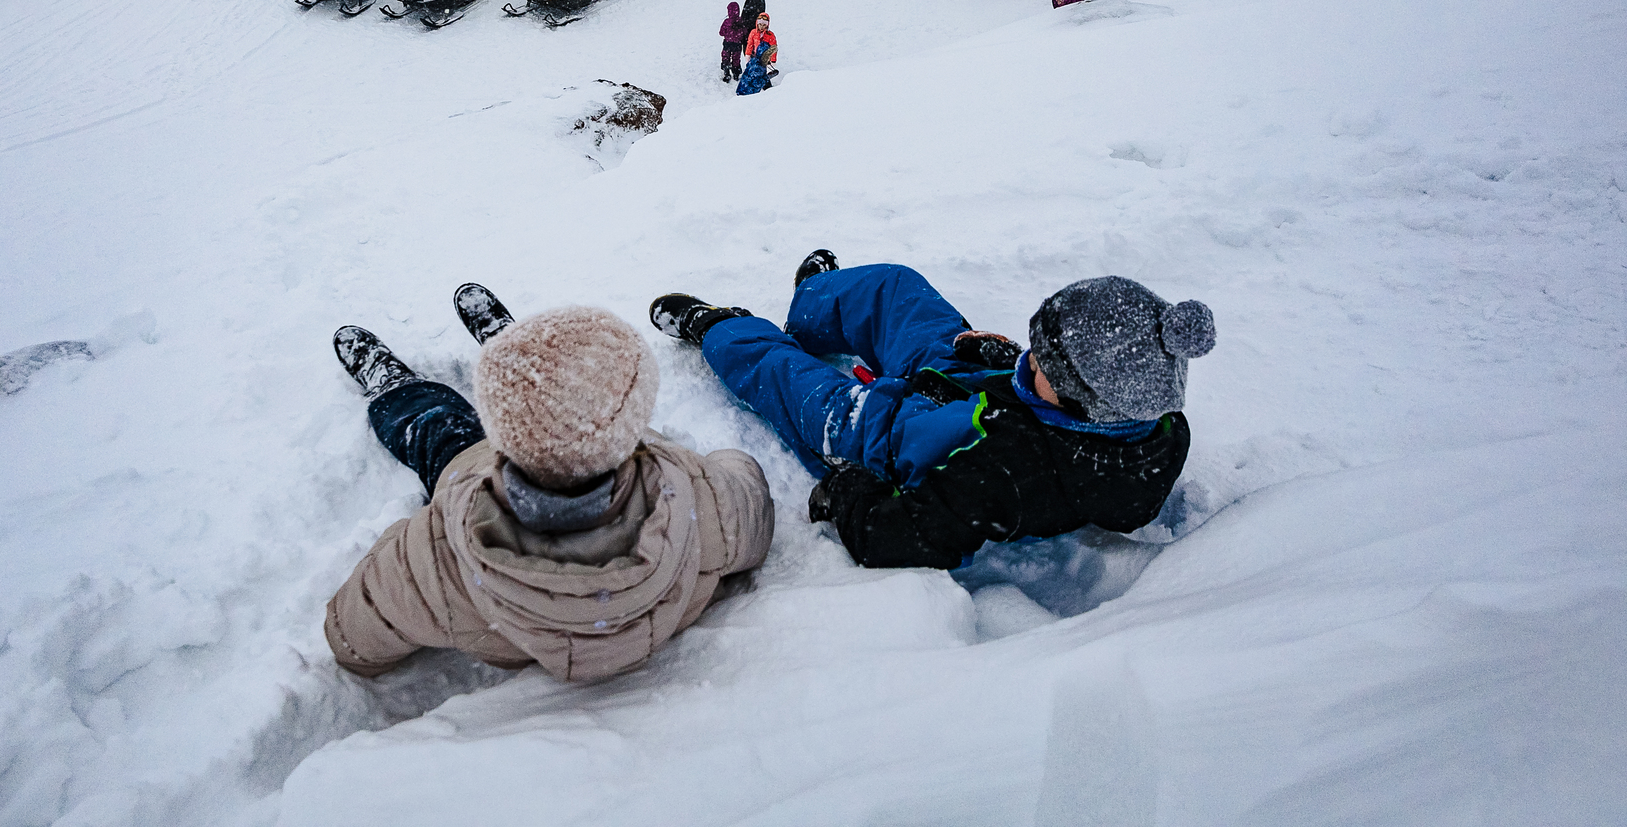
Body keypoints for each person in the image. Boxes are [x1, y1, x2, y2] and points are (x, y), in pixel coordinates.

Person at [323, 285, 774, 684]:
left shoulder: (436, 555)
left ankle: (402, 387)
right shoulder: (698, 501)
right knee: (564, 389)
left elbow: (352, 634)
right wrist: (720, 463)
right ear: (627, 429)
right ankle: (541, 371)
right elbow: (749, 497)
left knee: (435, 429)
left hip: (467, 467)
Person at [648, 257, 1213, 571]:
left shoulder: (1006, 475)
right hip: (973, 388)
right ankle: (816, 301)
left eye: (1041, 361)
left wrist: (850, 493)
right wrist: (1009, 365)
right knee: (898, 290)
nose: (1030, 356)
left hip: (895, 440)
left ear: (1076, 397)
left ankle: (720, 327)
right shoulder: (1151, 422)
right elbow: (1063, 402)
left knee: (789, 377)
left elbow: (905, 536)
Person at [735, 13, 777, 95]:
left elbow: (773, 49)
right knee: (753, 73)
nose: (761, 26)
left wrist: (773, 60)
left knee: (762, 72)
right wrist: (747, 55)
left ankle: (766, 86)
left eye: (764, 24)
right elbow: (750, 44)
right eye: (760, 24)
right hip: (755, 57)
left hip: (765, 58)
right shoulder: (753, 32)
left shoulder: (770, 35)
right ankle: (751, 87)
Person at [718, 0, 747, 83]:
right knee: (736, 58)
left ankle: (726, 72)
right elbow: (744, 32)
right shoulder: (741, 21)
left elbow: (721, 32)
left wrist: (728, 35)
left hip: (727, 43)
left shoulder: (727, 22)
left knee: (725, 56)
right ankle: (736, 73)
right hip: (737, 44)